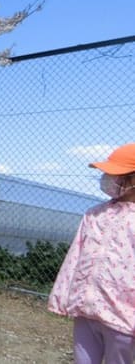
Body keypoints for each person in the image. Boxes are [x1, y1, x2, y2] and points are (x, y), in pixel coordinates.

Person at [47, 143, 135, 364]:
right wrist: (61, 297)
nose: (106, 178)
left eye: (115, 174)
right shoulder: (94, 214)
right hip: (85, 310)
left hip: (124, 318)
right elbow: (74, 257)